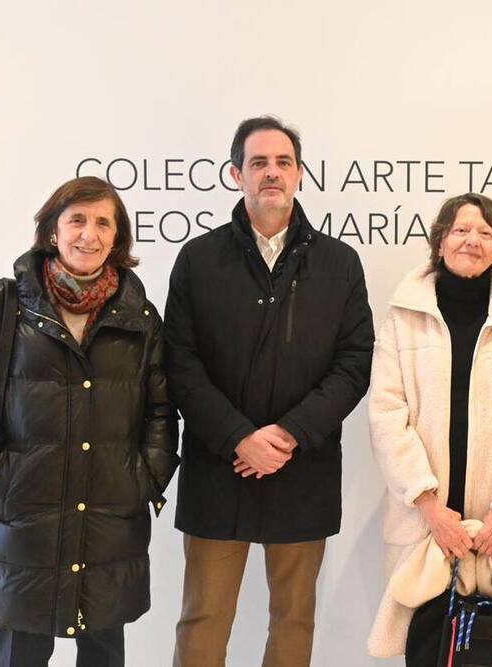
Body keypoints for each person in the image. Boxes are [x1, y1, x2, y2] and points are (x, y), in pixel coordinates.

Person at [0, 176, 179, 667]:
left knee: (103, 655)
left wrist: (146, 478)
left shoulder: (139, 318)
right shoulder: (1, 306)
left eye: (102, 223)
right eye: (76, 220)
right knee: (21, 655)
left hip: (110, 523)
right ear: (53, 231)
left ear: (117, 238)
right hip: (23, 520)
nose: (88, 235)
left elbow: (162, 409)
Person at [166, 115, 374, 667]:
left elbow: (354, 365)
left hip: (301, 466)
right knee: (203, 617)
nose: (272, 173)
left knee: (294, 618)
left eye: (283, 162)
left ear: (301, 175)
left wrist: (285, 435)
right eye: (258, 163)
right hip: (219, 467)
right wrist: (239, 437)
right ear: (236, 174)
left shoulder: (340, 263)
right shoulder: (198, 259)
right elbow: (180, 363)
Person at [367, 193, 492, 667]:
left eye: (485, 233)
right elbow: (387, 414)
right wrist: (430, 507)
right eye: (460, 230)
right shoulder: (404, 316)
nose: (471, 240)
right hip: (427, 530)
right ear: (440, 241)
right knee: (430, 651)